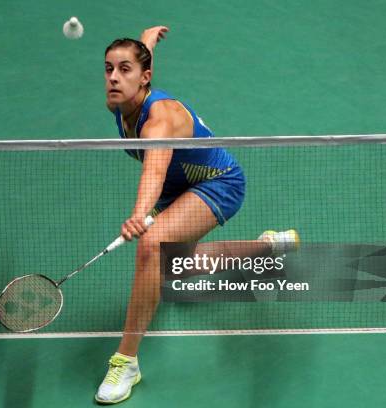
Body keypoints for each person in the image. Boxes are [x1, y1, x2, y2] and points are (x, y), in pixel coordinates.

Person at [95, 26, 299, 404]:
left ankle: (126, 361)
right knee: (174, 269)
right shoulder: (124, 101)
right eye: (108, 69)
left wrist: (140, 215)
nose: (113, 77)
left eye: (124, 69)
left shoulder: (159, 119)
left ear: (145, 78)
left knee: (151, 250)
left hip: (216, 182)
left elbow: (154, 169)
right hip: (178, 183)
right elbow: (143, 64)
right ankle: (265, 249)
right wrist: (147, 42)